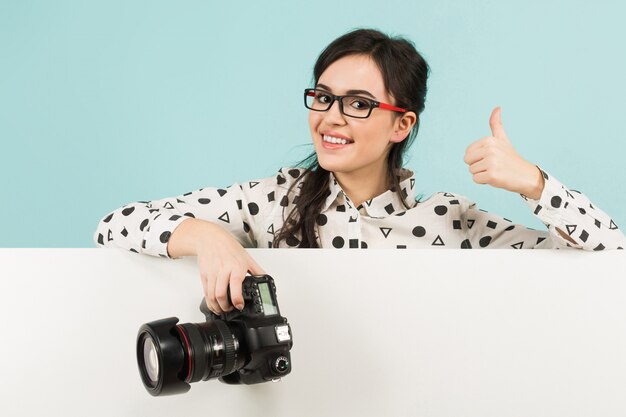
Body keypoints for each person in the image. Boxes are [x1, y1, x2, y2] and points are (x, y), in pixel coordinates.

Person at [94, 28, 626, 315]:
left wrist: (534, 183)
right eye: (323, 97)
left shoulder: (450, 222)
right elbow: (115, 223)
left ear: (402, 125)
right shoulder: (275, 201)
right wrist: (206, 236)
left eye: (358, 104)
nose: (331, 117)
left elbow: (611, 258)